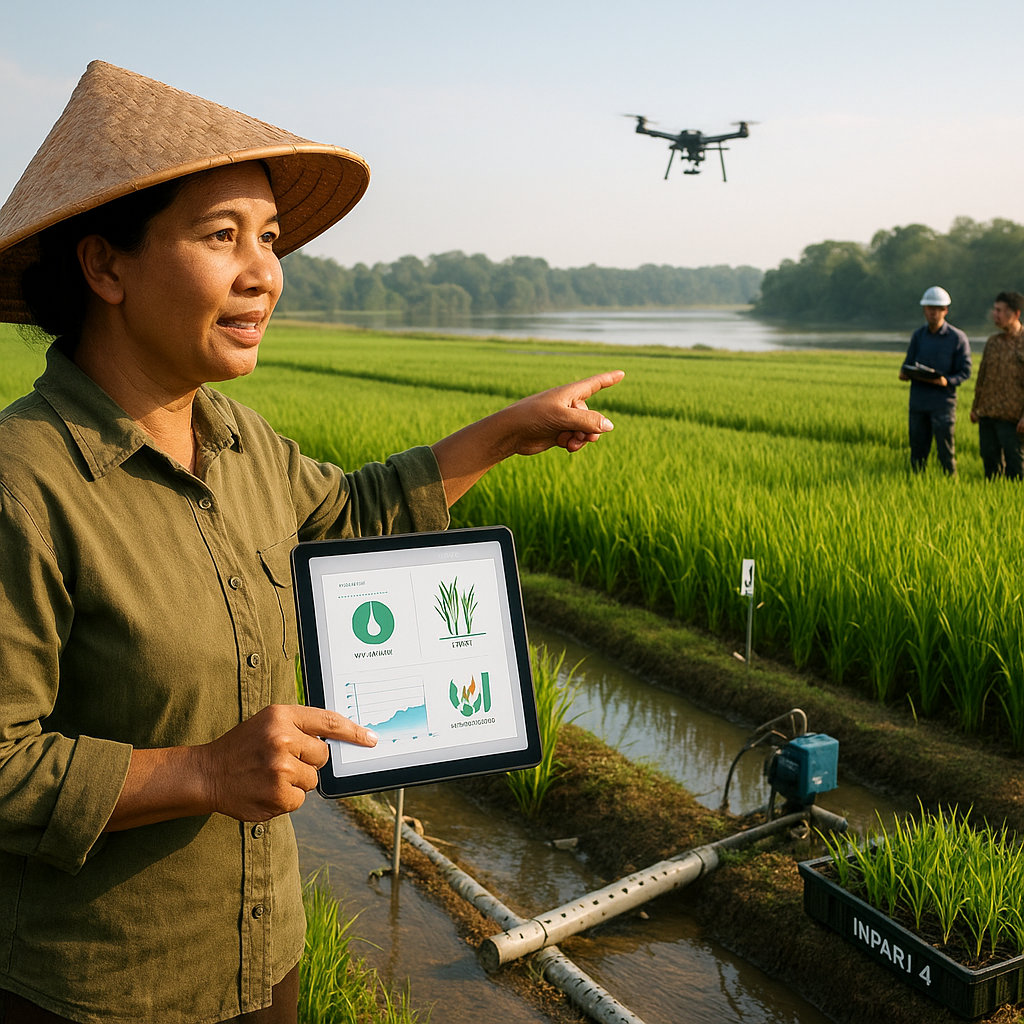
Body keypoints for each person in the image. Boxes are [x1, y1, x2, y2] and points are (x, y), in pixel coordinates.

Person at [0, 62, 622, 1023]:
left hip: (261, 957)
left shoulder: (242, 444)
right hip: (100, 989)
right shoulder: (24, 480)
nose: (265, 274)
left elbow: (351, 514)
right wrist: (204, 771)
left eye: (271, 239)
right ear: (105, 266)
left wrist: (504, 433)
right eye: (222, 237)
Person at [898, 285, 972, 475]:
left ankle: (951, 485)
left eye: (936, 309)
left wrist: (946, 381)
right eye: (929, 309)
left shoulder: (957, 338)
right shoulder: (918, 336)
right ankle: (916, 483)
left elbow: (965, 371)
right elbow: (908, 362)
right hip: (918, 402)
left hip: (942, 403)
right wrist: (905, 373)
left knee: (945, 451)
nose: (932, 313)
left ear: (945, 310)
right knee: (917, 451)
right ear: (924, 310)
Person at [969, 291, 1024, 479]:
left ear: (1016, 314)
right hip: (987, 415)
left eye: (1000, 311)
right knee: (990, 466)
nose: (995, 314)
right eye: (994, 310)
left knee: (1016, 470)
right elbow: (982, 377)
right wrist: (976, 407)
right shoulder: (993, 342)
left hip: (1013, 420)